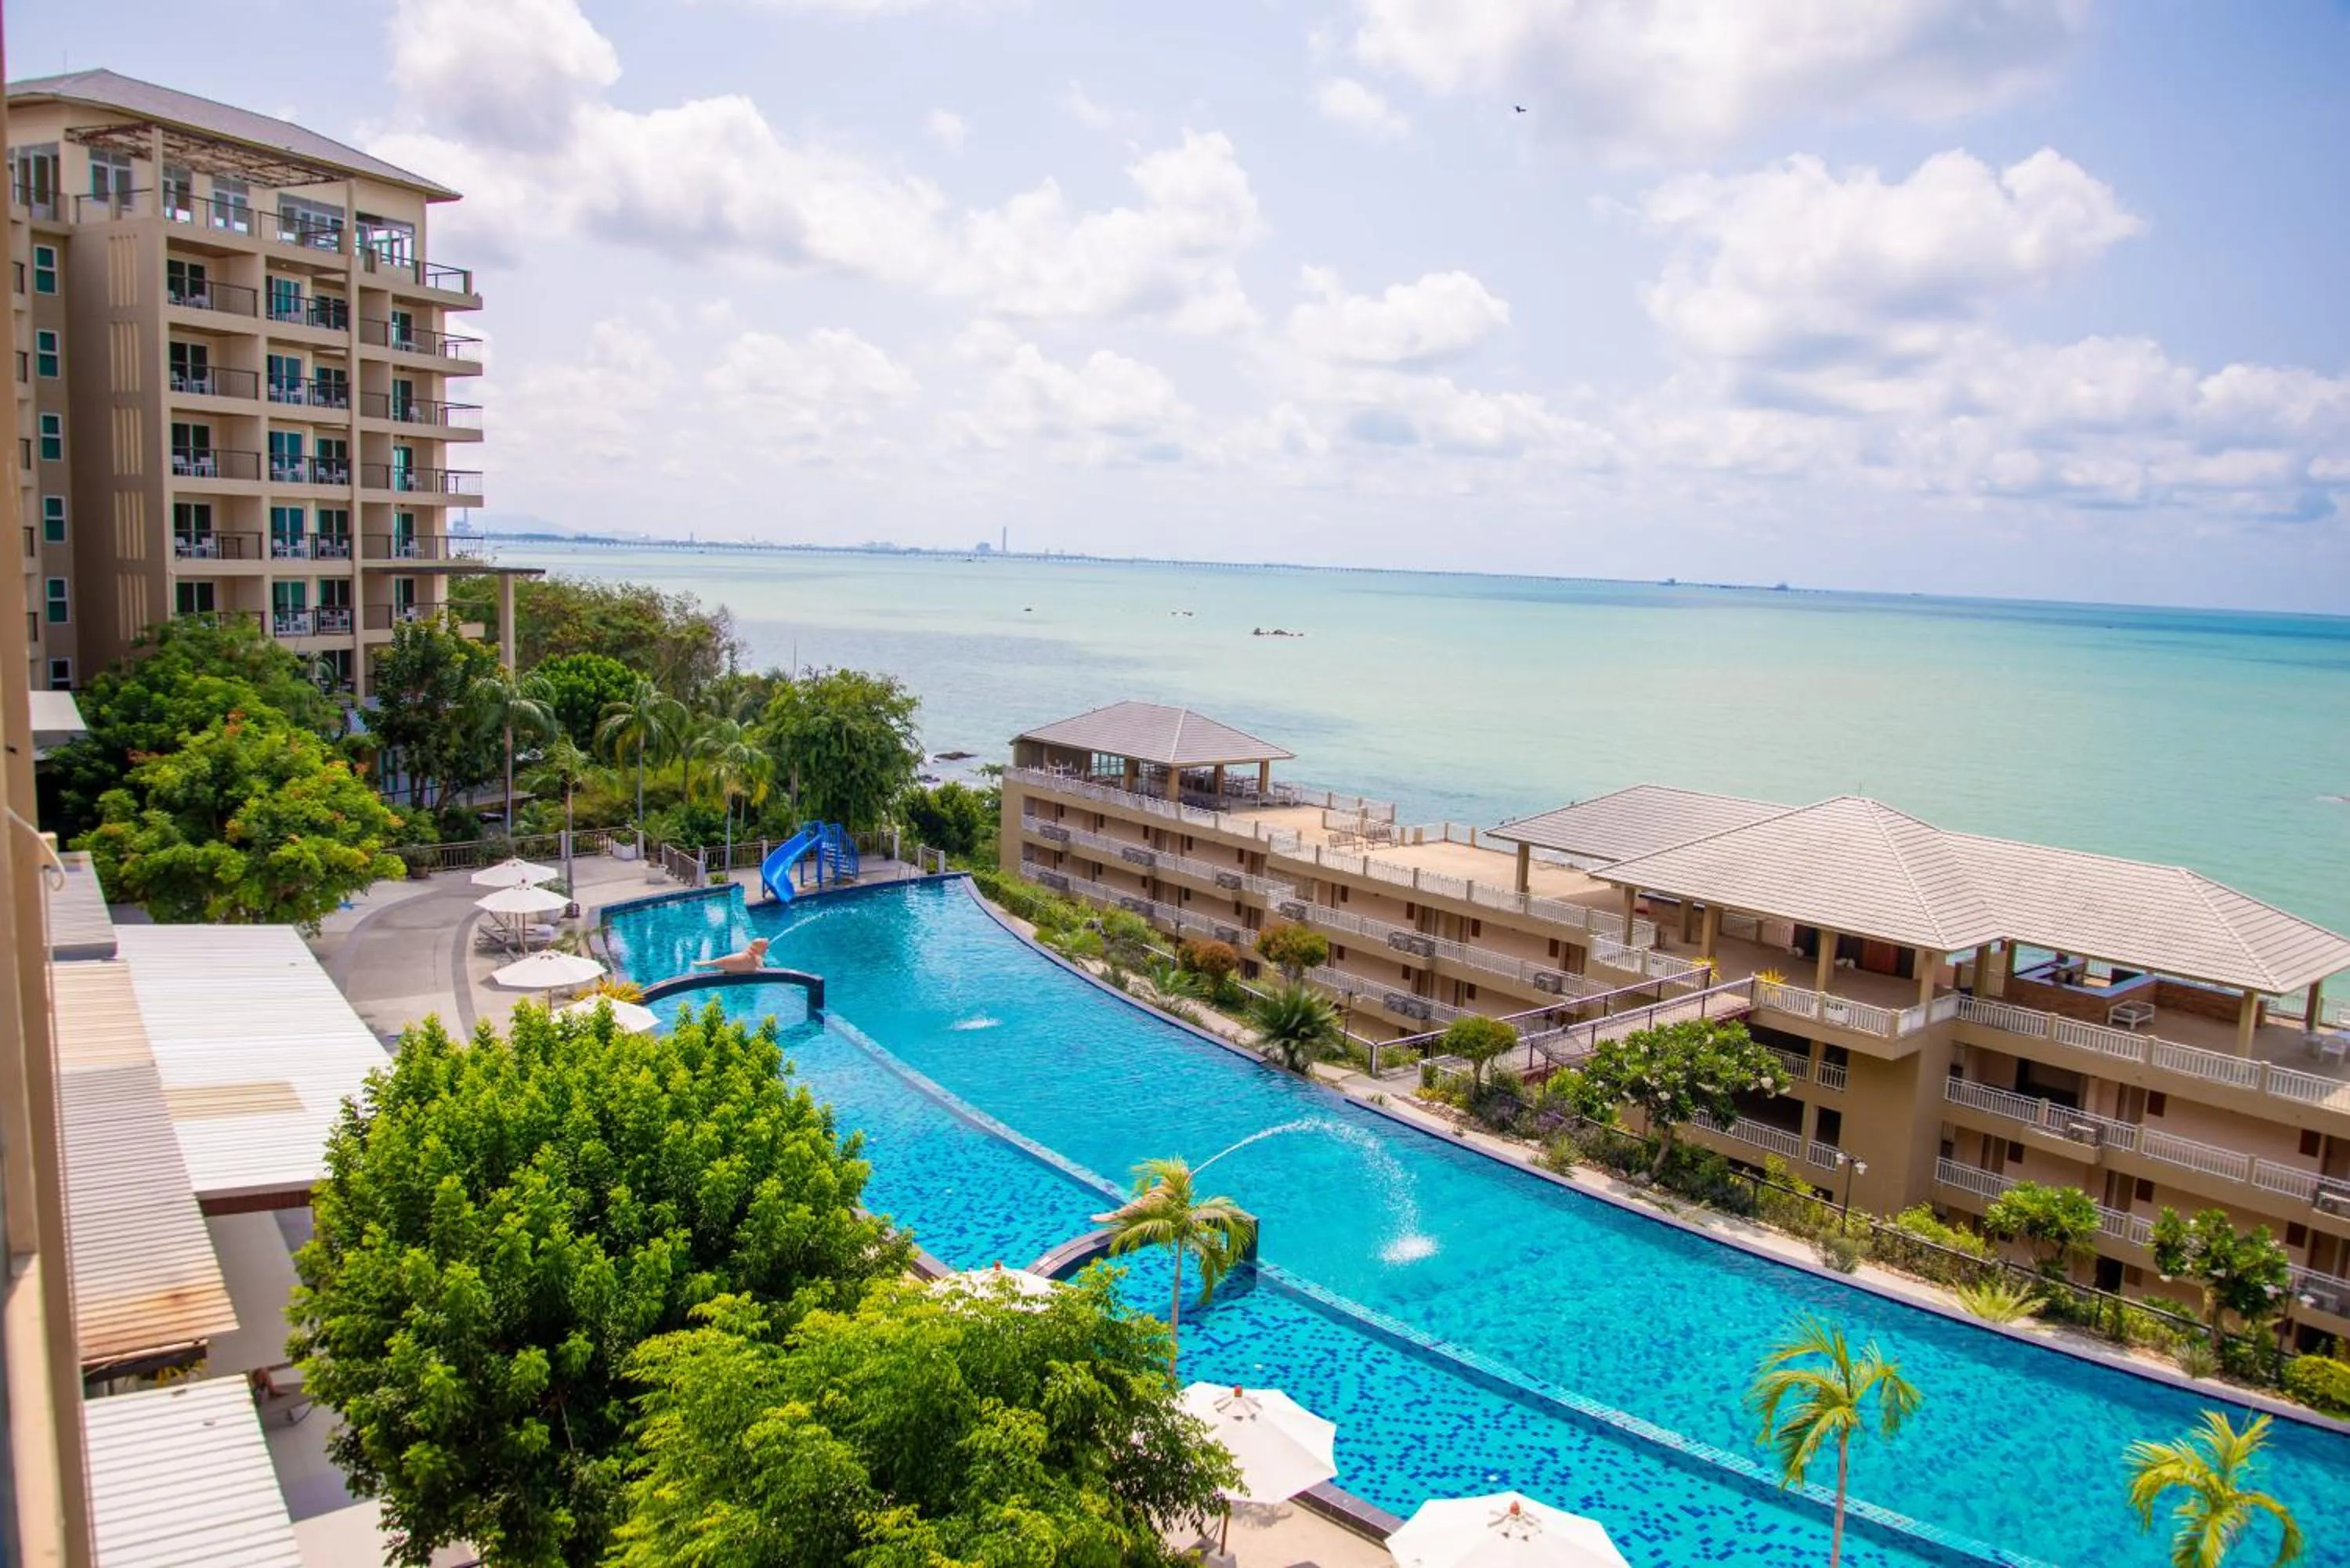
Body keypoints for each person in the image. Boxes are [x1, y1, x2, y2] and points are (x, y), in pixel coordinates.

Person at [692, 936, 771, 974]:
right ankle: (702, 964)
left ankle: (701, 964)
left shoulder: (752, 954)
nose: (766, 950)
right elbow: (762, 968)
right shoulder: (757, 957)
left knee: (715, 962)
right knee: (717, 962)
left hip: (738, 965)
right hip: (739, 965)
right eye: (765, 947)